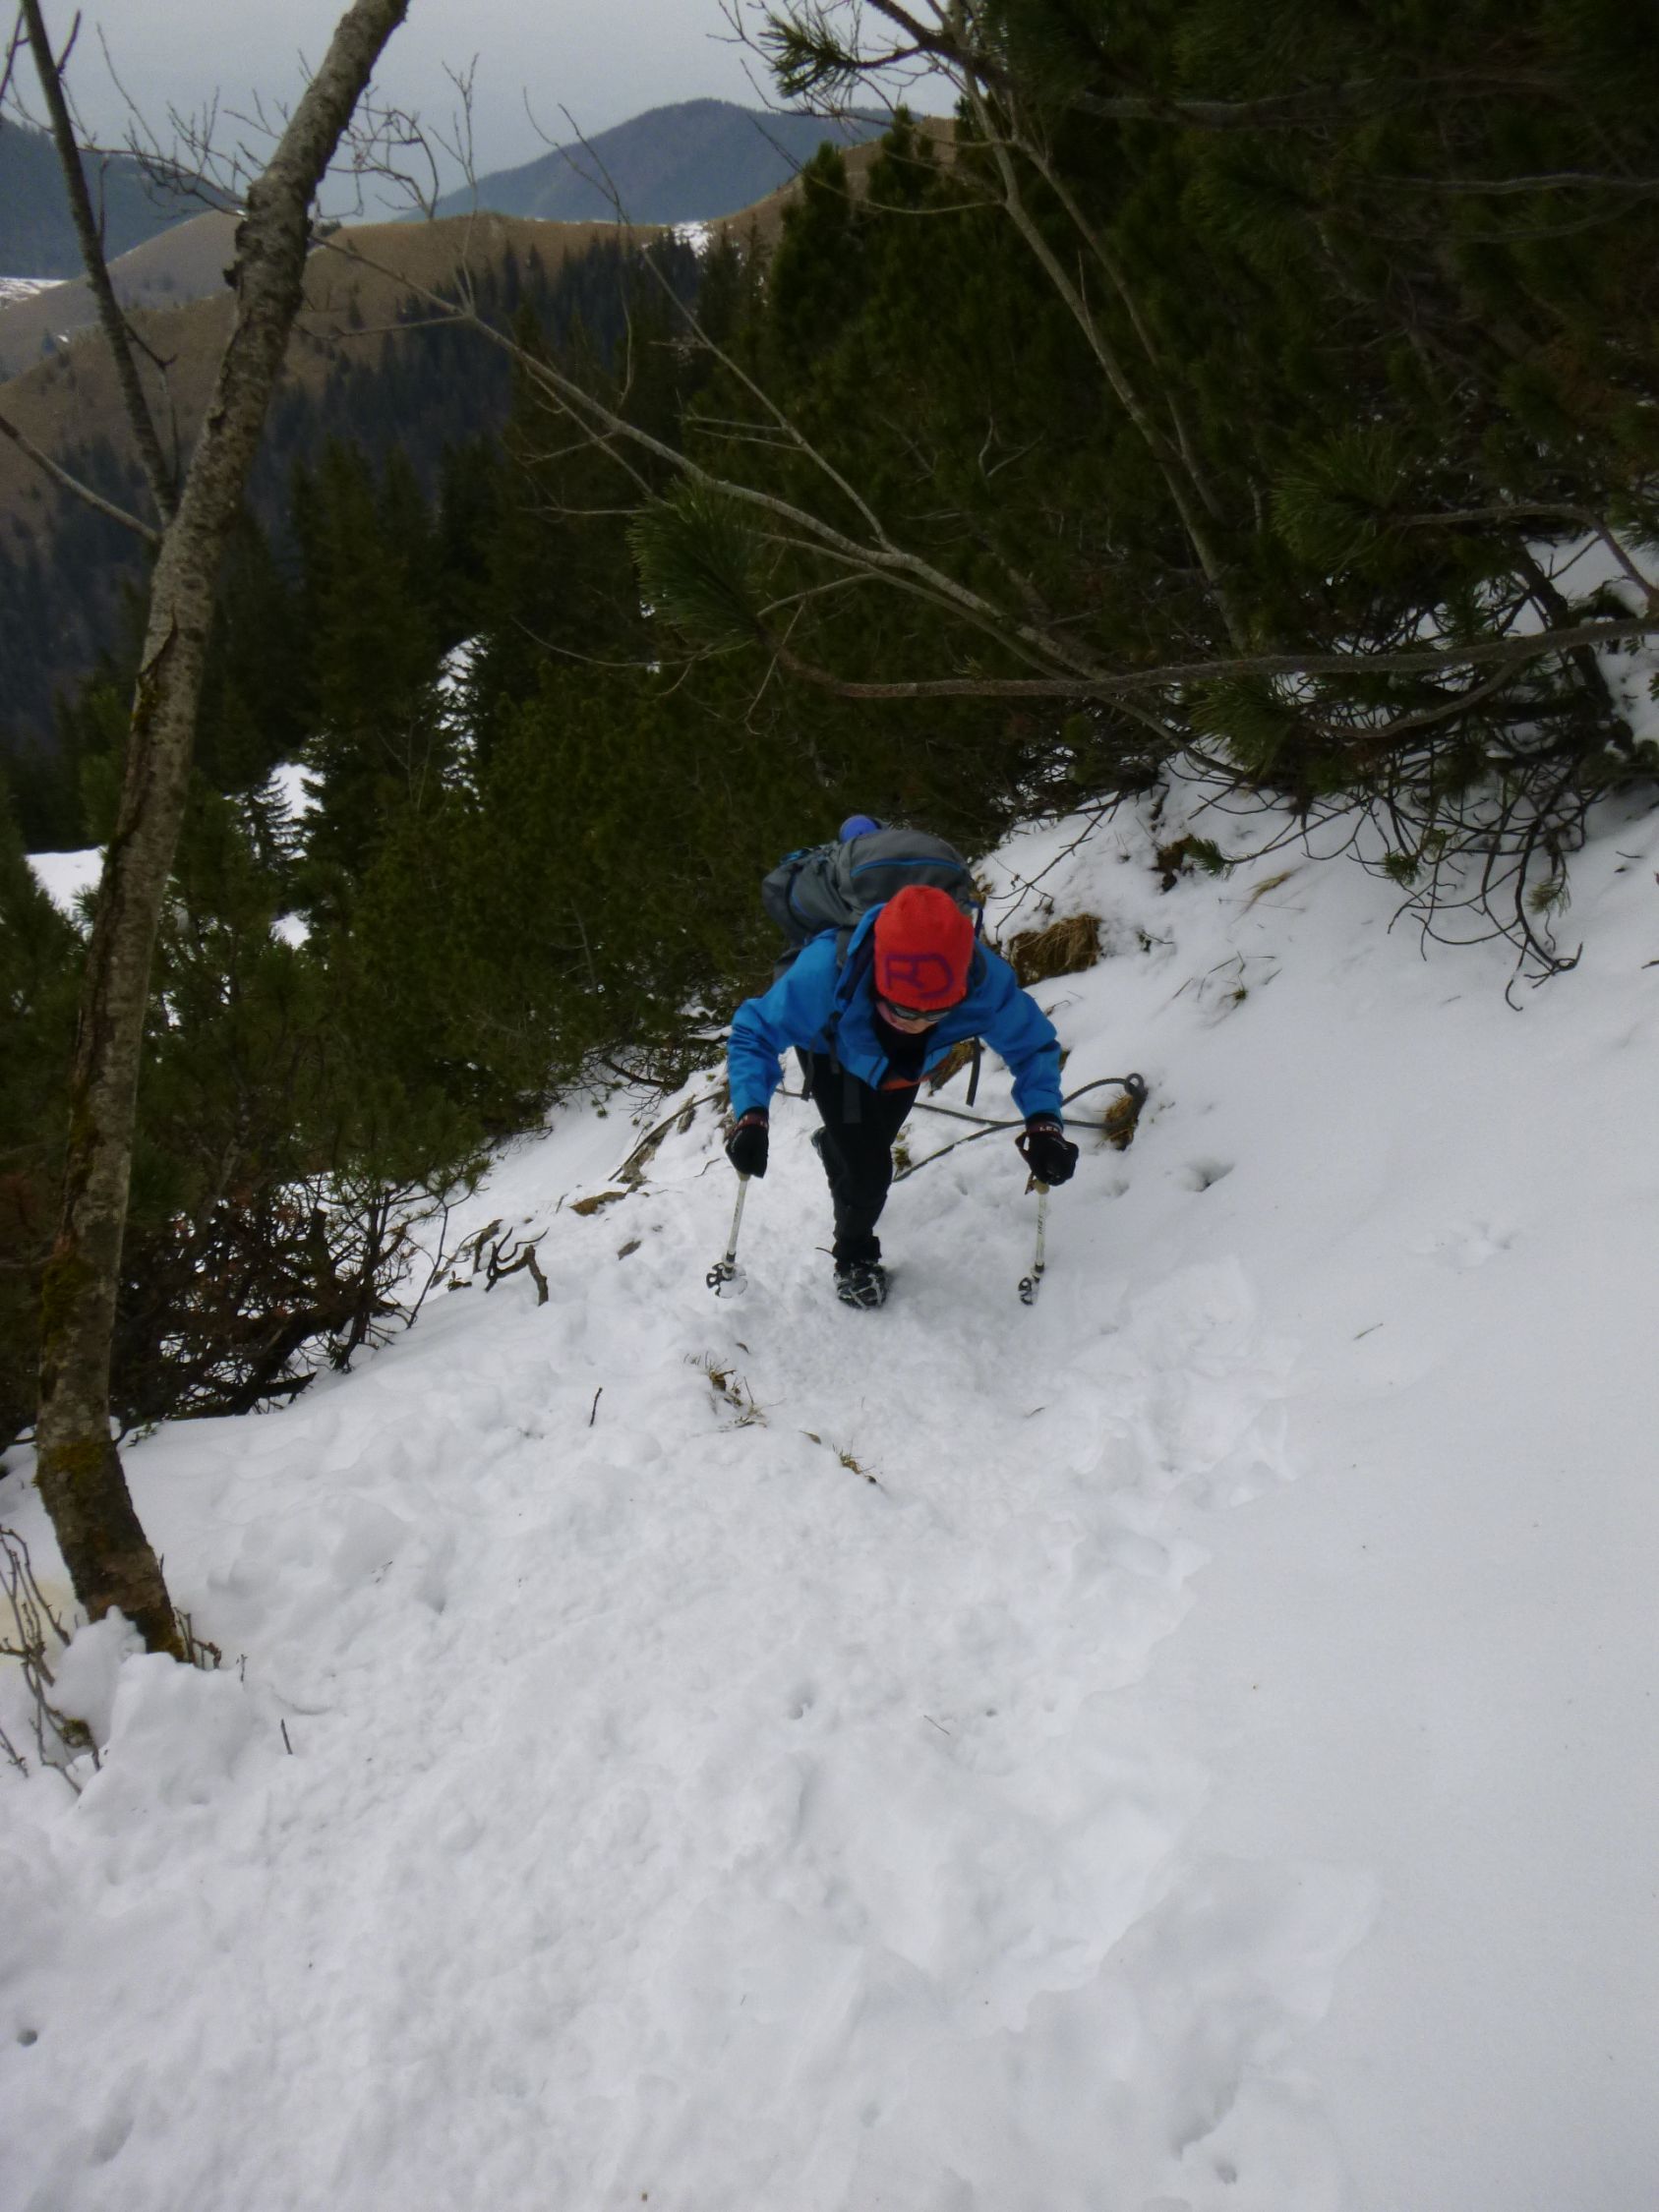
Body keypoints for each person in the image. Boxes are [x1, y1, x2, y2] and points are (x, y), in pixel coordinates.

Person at [725, 882, 1079, 1307]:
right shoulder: (824, 972)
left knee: (870, 1145)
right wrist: (752, 1115)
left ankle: (836, 1146)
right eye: (905, 1010)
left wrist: (1043, 1123)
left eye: (938, 1013)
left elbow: (1032, 1046)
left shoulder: (982, 981)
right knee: (870, 1171)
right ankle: (854, 1257)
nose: (918, 1024)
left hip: (906, 1070)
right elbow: (754, 1032)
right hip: (835, 1056)